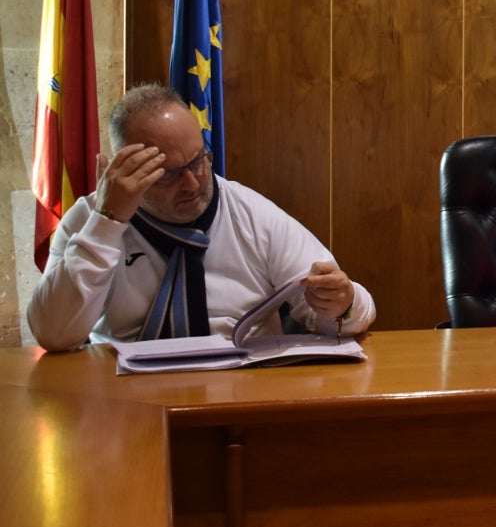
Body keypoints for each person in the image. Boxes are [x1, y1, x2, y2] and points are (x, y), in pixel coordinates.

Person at [27, 84, 376, 351]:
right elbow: (54, 335)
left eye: (198, 161)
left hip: (242, 392)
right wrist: (108, 221)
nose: (192, 183)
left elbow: (350, 312)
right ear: (123, 170)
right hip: (126, 400)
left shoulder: (249, 212)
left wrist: (343, 305)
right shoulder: (91, 220)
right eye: (167, 174)